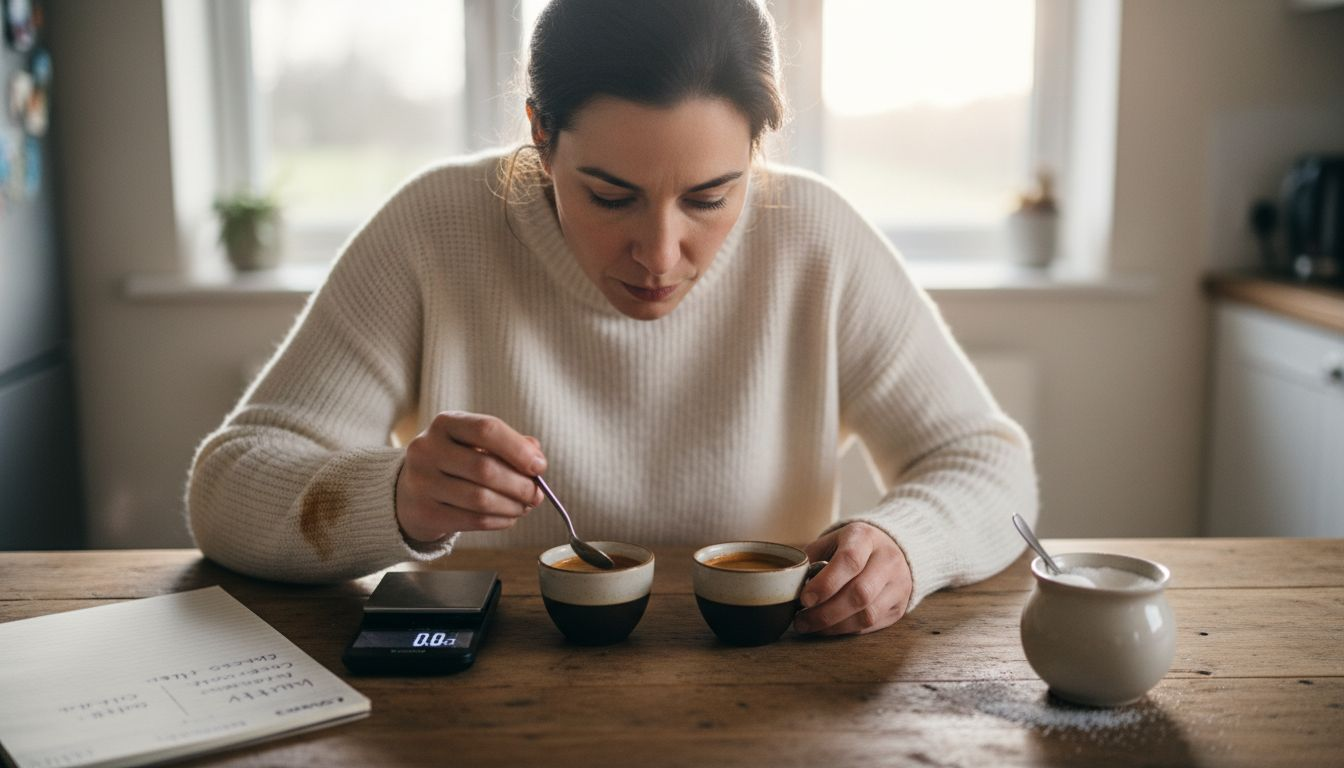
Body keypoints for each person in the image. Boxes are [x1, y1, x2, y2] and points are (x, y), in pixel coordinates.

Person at [186, 0, 1037, 637]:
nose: (660, 254)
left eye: (710, 196)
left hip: (771, 701)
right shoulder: (436, 228)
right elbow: (226, 489)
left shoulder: (814, 238)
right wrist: (400, 498)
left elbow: (988, 465)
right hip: (480, 707)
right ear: (541, 137)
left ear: (756, 150)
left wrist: (906, 545)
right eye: (610, 196)